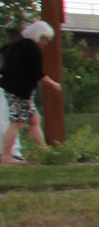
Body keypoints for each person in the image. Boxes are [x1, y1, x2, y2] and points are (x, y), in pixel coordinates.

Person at [1, 20, 59, 164]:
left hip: (12, 88)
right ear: (40, 36)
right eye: (46, 39)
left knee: (34, 119)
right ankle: (6, 156)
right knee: (17, 123)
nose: (46, 43)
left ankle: (44, 152)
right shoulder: (33, 50)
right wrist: (53, 84)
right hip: (20, 92)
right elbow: (38, 74)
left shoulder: (16, 45)